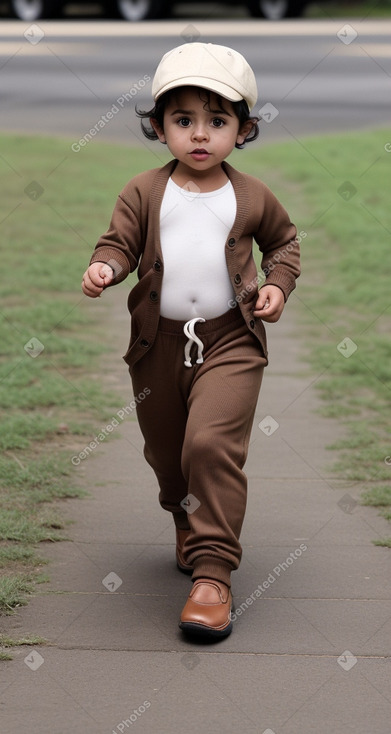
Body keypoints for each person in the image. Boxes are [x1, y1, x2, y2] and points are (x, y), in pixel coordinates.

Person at [82, 42, 300, 641]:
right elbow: (119, 243)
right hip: (158, 346)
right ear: (159, 127)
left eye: (218, 121)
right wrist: (105, 266)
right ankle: (182, 513)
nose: (200, 136)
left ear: (244, 129)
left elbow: (284, 244)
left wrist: (277, 286)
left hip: (230, 342)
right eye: (183, 121)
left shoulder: (251, 195)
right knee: (168, 453)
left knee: (209, 444)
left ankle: (214, 572)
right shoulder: (144, 191)